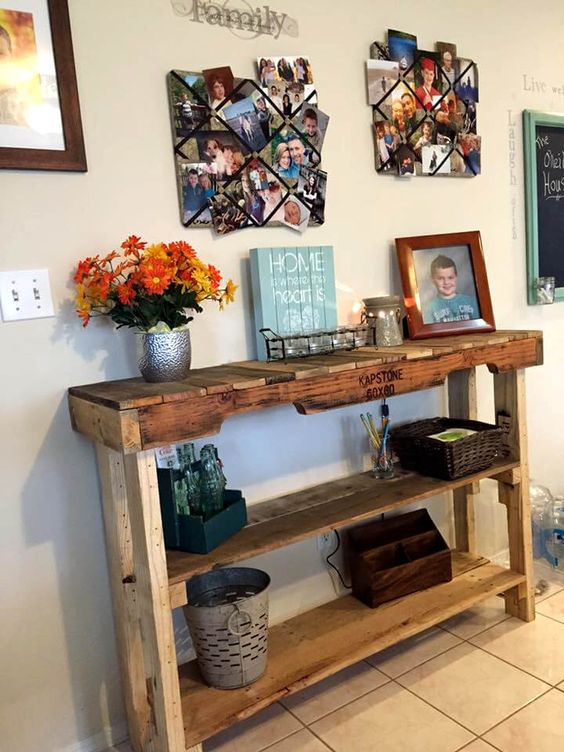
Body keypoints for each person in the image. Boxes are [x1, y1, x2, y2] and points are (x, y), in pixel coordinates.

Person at [426, 255, 479, 323]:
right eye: (440, 278)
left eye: (450, 277)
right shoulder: (430, 309)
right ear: (432, 280)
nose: (446, 282)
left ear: (456, 277)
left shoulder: (472, 302)